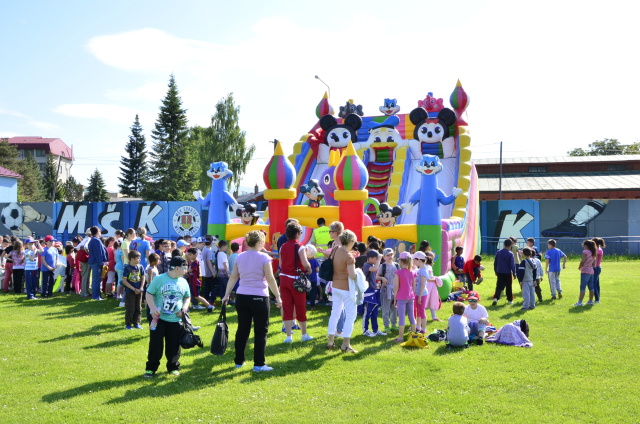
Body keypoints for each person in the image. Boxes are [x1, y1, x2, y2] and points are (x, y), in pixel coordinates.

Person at [221, 230, 282, 372]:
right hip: (259, 297)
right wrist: (278, 296)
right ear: (260, 242)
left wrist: (226, 295)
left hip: (242, 297)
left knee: (242, 329)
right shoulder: (264, 257)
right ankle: (259, 364)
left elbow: (233, 277)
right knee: (261, 331)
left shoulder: (240, 256)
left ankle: (239, 361)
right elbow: (270, 279)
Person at [144, 256, 191, 378]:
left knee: (174, 345)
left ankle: (173, 367)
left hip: (175, 320)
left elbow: (187, 297)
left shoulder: (183, 281)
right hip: (158, 319)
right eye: (185, 267)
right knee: (156, 344)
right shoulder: (159, 279)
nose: (186, 269)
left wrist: (184, 309)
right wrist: (153, 307)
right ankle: (151, 368)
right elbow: (149, 293)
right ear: (177, 268)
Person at [279, 222, 313, 343]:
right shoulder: (300, 246)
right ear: (298, 233)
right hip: (296, 279)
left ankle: (288, 336)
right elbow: (305, 264)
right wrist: (309, 269)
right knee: (300, 306)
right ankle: (304, 334)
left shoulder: (283, 246)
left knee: (287, 307)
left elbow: (281, 264)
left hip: (283, 278)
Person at [326, 229, 358, 353]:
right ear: (350, 241)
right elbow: (352, 275)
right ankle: (345, 344)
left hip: (335, 286)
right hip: (346, 288)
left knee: (335, 313)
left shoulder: (335, 249)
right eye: (353, 242)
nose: (353, 244)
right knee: (351, 315)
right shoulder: (349, 256)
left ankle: (331, 340)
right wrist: (359, 273)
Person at [393, 251, 417, 343]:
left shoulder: (398, 272)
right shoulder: (413, 272)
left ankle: (400, 337)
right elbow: (414, 286)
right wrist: (412, 294)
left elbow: (396, 287)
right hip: (411, 297)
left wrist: (395, 299)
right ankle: (414, 336)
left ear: (401, 261)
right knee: (412, 316)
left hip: (401, 298)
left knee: (402, 318)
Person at [362, 250, 385, 336]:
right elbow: (375, 268)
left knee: (375, 312)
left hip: (374, 291)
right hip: (368, 292)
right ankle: (365, 330)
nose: (377, 260)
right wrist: (379, 258)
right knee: (368, 312)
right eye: (375, 258)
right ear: (370, 258)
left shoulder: (372, 265)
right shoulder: (366, 265)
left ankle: (375, 330)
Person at [185, 247, 214, 313]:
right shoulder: (193, 262)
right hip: (192, 281)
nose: (189, 256)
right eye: (188, 255)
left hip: (195, 282)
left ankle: (209, 306)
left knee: (197, 296)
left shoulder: (195, 262)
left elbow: (190, 270)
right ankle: (187, 309)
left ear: (195, 254)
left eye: (190, 255)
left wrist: (184, 272)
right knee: (189, 295)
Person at [377, 248, 398, 333]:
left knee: (394, 308)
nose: (390, 257)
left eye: (391, 255)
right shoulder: (383, 266)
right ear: (384, 257)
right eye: (388, 255)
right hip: (386, 290)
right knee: (386, 309)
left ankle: (394, 324)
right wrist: (382, 278)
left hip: (395, 290)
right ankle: (386, 326)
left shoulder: (396, 265)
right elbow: (377, 276)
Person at [123, 251, 145, 329]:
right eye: (138, 258)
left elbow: (143, 278)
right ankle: (128, 324)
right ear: (132, 259)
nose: (139, 259)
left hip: (139, 291)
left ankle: (137, 322)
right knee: (130, 308)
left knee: (138, 307)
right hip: (130, 291)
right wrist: (133, 289)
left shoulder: (140, 267)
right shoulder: (127, 268)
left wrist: (141, 288)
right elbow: (124, 281)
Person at [492, 238, 517, 306]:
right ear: (511, 245)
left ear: (504, 244)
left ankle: (496, 298)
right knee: (508, 286)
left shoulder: (499, 252)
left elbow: (495, 262)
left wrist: (495, 270)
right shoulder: (510, 254)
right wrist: (514, 273)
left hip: (500, 271)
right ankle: (509, 300)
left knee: (499, 286)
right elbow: (512, 264)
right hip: (508, 272)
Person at [88, 226, 108, 301]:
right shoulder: (96, 240)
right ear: (97, 232)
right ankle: (96, 296)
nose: (100, 233)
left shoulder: (94, 240)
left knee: (97, 279)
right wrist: (101, 263)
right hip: (96, 263)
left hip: (96, 262)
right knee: (96, 280)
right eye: (100, 231)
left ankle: (98, 295)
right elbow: (98, 253)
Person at [574, 239, 597, 307]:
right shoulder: (593, 252)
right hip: (591, 271)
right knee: (591, 287)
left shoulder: (585, 252)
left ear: (586, 246)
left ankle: (580, 302)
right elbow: (594, 263)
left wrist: (580, 266)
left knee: (583, 287)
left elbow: (583, 260)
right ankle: (590, 301)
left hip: (585, 271)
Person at [412, 251, 429, 333]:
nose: (413, 262)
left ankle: (424, 329)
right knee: (419, 310)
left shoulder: (423, 271)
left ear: (418, 260)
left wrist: (419, 296)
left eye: (414, 260)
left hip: (422, 294)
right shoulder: (420, 269)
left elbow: (423, 285)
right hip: (418, 293)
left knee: (422, 311)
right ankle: (418, 327)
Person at [423, 255, 442, 323]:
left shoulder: (429, 267)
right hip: (427, 286)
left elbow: (430, 276)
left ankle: (434, 317)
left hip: (431, 286)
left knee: (432, 300)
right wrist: (434, 280)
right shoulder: (425, 267)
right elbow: (426, 278)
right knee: (425, 301)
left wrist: (434, 278)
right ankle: (423, 317)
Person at [201, 236, 216, 305]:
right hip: (209, 271)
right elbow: (209, 262)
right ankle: (209, 301)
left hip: (205, 271)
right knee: (210, 287)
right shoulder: (209, 251)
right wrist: (213, 272)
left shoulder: (204, 249)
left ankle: (205, 300)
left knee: (206, 286)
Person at [305, 245, 321, 310]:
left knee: (303, 292)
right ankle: (312, 306)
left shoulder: (304, 261)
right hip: (313, 279)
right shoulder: (314, 261)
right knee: (313, 292)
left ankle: (303, 304)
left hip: (305, 279)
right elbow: (317, 270)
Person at [592, 237, 605, 303]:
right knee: (596, 284)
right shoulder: (600, 249)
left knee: (593, 284)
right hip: (598, 267)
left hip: (595, 268)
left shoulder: (597, 250)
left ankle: (597, 299)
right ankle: (597, 298)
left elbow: (594, 259)